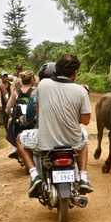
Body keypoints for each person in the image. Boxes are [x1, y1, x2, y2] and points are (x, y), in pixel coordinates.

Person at [16, 54, 94, 197]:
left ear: (57, 69)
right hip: (73, 142)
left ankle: (34, 176)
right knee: (84, 137)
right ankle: (83, 177)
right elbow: (86, 120)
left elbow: (39, 111)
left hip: (45, 143)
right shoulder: (81, 91)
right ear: (75, 72)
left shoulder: (43, 85)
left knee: (20, 138)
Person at [5, 69, 36, 158]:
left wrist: (10, 113)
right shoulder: (35, 91)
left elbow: (8, 108)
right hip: (33, 120)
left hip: (18, 121)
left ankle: (14, 145)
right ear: (32, 79)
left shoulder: (16, 93)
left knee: (10, 120)